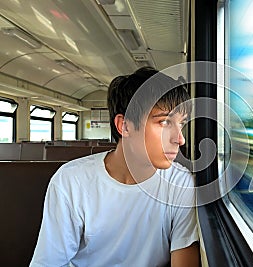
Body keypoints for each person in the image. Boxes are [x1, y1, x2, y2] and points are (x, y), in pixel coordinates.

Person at [30, 67, 199, 267]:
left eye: (182, 124)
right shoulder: (71, 180)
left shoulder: (181, 184)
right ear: (124, 126)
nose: (180, 139)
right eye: (164, 122)